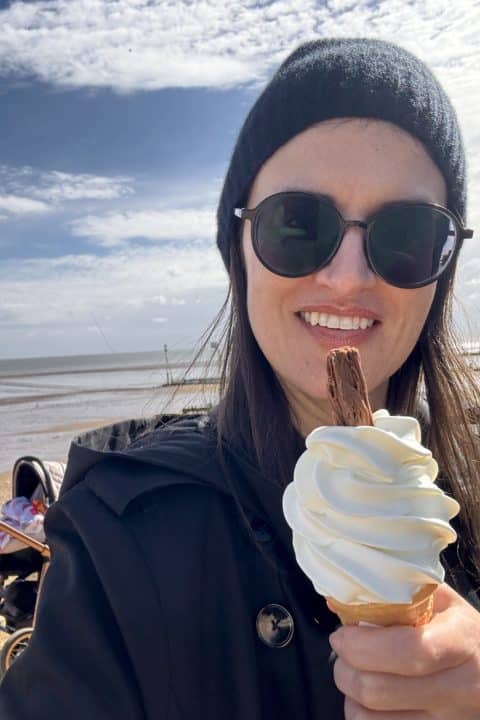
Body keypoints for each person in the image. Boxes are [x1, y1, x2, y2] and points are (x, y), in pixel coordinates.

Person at [1, 37, 480, 719]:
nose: (348, 278)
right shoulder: (114, 539)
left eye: (407, 233)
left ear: (444, 267)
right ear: (239, 252)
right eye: (297, 224)